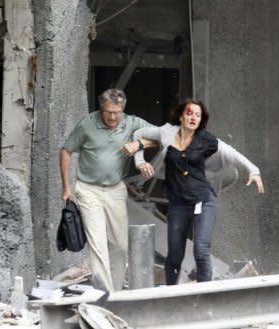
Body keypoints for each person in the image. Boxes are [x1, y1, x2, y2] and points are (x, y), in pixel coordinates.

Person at [129, 98, 264, 284]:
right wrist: (140, 162)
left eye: (198, 115)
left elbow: (231, 152)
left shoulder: (205, 139)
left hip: (203, 200)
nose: (193, 117)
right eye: (189, 113)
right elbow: (138, 134)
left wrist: (253, 170)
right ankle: (171, 295)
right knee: (175, 256)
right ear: (181, 116)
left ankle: (204, 296)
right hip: (178, 204)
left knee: (201, 250)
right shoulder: (167, 132)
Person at [59, 88, 154, 291]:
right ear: (101, 109)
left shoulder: (132, 123)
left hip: (115, 189)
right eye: (108, 112)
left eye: (116, 112)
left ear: (123, 109)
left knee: (119, 245)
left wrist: (138, 144)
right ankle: (105, 293)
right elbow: (66, 151)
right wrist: (66, 187)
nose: (112, 117)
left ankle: (116, 291)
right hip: (88, 189)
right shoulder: (87, 124)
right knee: (98, 244)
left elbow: (162, 136)